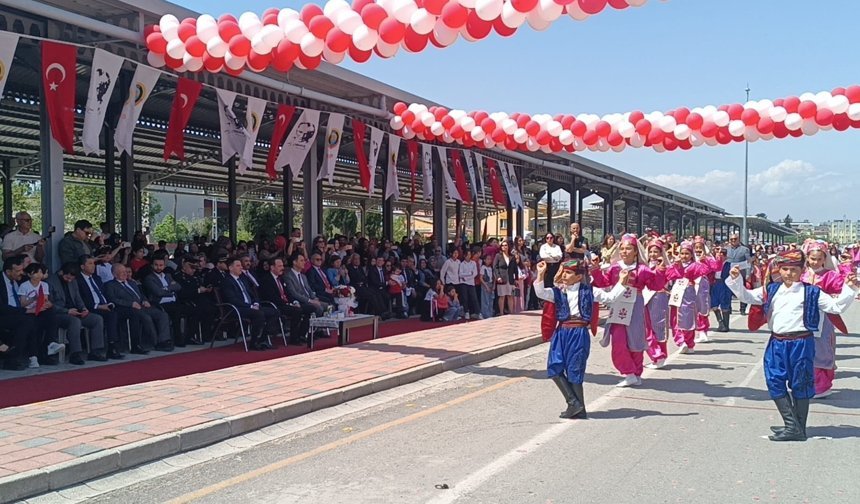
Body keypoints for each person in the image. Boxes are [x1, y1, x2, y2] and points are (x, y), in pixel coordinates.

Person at [725, 250, 858, 441]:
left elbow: (835, 307)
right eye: (785, 269)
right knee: (774, 380)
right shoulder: (771, 289)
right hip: (777, 342)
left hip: (802, 343)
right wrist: (736, 279)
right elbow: (747, 297)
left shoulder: (812, 291)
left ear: (801, 270)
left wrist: (850, 288)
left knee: (801, 383)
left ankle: (797, 428)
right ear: (779, 269)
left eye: (793, 270)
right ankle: (792, 425)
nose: (788, 273)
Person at [534, 259, 629, 419]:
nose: (564, 275)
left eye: (569, 272)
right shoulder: (558, 292)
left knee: (575, 369)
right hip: (561, 332)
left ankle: (579, 408)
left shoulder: (590, 291)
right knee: (554, 366)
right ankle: (574, 403)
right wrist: (541, 273)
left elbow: (610, 297)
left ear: (579, 277)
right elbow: (540, 292)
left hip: (578, 333)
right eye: (564, 271)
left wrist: (621, 281)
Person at [591, 234, 667, 387]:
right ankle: (629, 372)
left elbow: (655, 286)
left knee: (636, 340)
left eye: (628, 249)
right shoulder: (614, 268)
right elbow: (604, 283)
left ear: (635, 252)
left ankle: (636, 373)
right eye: (623, 249)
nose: (625, 251)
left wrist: (660, 272)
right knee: (618, 340)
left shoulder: (643, 269)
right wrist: (596, 271)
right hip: (618, 306)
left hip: (636, 306)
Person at [801, 240, 852, 399]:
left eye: (819, 259)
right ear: (807, 257)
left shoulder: (830, 275)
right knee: (803, 350)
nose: (815, 262)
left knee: (822, 352)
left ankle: (822, 386)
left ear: (825, 259)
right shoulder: (800, 274)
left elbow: (844, 289)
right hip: (801, 319)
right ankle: (805, 383)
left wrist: (847, 270)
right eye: (812, 258)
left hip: (823, 321)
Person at [665, 240, 721, 354]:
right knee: (675, 318)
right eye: (682, 253)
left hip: (689, 293)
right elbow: (669, 275)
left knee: (688, 318)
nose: (684, 256)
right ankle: (681, 342)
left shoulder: (696, 265)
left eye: (687, 254)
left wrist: (709, 258)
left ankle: (689, 343)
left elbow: (710, 269)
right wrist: (676, 265)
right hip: (677, 293)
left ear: (691, 254)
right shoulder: (675, 264)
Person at [47, 262, 108, 365]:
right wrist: (67, 311)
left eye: (72, 278)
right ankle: (75, 353)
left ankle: (95, 351)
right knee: (74, 321)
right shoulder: (50, 282)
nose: (69, 280)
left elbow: (77, 298)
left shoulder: (73, 281)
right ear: (61, 272)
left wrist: (83, 308)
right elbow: (50, 304)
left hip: (75, 311)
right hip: (60, 313)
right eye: (67, 277)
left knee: (97, 319)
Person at [104, 263, 173, 352]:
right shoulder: (110, 285)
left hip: (142, 305)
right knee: (146, 318)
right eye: (122, 272)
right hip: (131, 309)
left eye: (125, 271)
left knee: (162, 315)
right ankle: (156, 343)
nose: (125, 274)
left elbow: (141, 294)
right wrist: (130, 304)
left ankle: (164, 340)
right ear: (114, 274)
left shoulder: (132, 282)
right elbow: (113, 299)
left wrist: (145, 300)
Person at [218, 257, 276, 351]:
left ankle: (263, 339)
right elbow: (232, 300)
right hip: (237, 309)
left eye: (241, 265)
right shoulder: (226, 281)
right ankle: (254, 342)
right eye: (238, 265)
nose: (241, 267)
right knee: (258, 314)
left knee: (274, 312)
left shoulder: (243, 279)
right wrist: (250, 306)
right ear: (230, 268)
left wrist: (256, 303)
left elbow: (252, 294)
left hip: (250, 307)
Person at [258, 257, 313, 345]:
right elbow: (272, 298)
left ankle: (302, 334)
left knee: (310, 307)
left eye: (282, 266)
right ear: (272, 267)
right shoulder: (266, 280)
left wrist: (294, 302)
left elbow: (288, 293)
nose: (282, 268)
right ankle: (294, 338)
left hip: (287, 303)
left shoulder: (281, 278)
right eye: (279, 266)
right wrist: (289, 304)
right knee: (297, 311)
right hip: (277, 305)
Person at [18, 262, 63, 368]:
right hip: (29, 312)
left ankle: (51, 343)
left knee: (52, 316)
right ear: (29, 275)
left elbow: (46, 299)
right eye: (35, 273)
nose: (39, 275)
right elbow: (22, 303)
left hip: (41, 311)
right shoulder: (24, 286)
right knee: (33, 328)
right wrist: (34, 299)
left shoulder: (44, 285)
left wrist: (45, 304)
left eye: (40, 272)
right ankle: (33, 357)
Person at [644, 239, 671, 369]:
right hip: (645, 297)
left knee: (658, 326)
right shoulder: (645, 264)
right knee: (646, 327)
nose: (653, 254)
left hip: (659, 296)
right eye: (651, 251)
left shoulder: (665, 265)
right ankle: (656, 355)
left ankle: (661, 355)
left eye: (656, 251)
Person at [725, 232, 752, 315]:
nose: (733, 241)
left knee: (741, 291)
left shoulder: (744, 249)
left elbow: (748, 262)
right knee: (727, 292)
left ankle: (742, 309)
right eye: (731, 239)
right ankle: (728, 308)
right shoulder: (726, 249)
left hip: (740, 273)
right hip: (728, 273)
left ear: (738, 240)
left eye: (735, 239)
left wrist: (748, 274)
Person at [493, 240, 519, 316]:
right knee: (502, 296)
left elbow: (515, 268)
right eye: (502, 245)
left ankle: (511, 312)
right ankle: (501, 312)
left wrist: (516, 278)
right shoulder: (498, 256)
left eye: (505, 245)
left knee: (510, 295)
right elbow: (495, 267)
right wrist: (498, 277)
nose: (504, 247)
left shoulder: (512, 257)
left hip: (510, 278)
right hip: (502, 278)